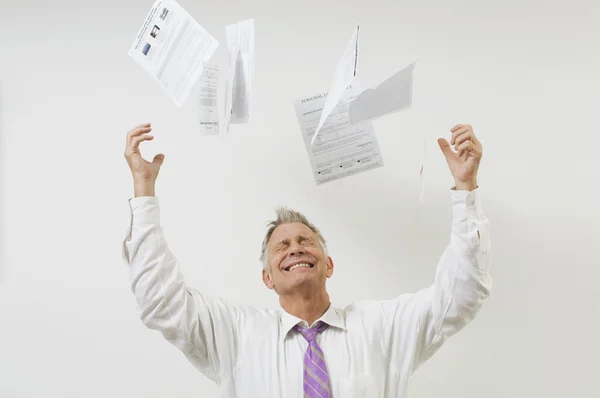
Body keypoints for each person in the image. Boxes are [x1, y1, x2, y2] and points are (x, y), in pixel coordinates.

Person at [122, 122, 491, 398]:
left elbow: (460, 296)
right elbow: (161, 302)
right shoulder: (237, 335)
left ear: (328, 265)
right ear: (267, 277)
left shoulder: (382, 328)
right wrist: (143, 191)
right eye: (281, 247)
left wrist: (466, 190)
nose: (295, 248)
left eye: (305, 241)